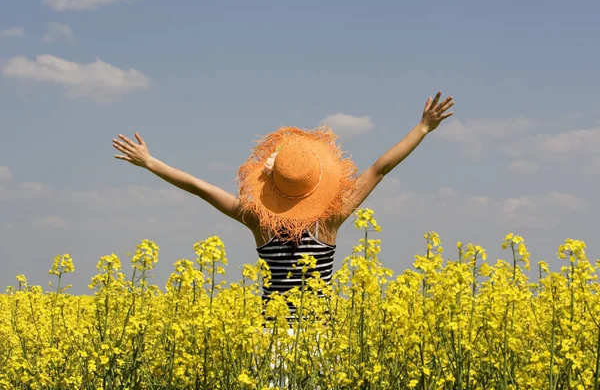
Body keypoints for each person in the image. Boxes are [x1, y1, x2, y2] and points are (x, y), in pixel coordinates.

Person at [112, 91, 454, 312]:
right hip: (319, 342)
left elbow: (200, 188)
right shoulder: (328, 222)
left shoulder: (259, 223)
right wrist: (422, 128)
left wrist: (151, 162)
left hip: (272, 340)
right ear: (318, 184)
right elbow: (380, 169)